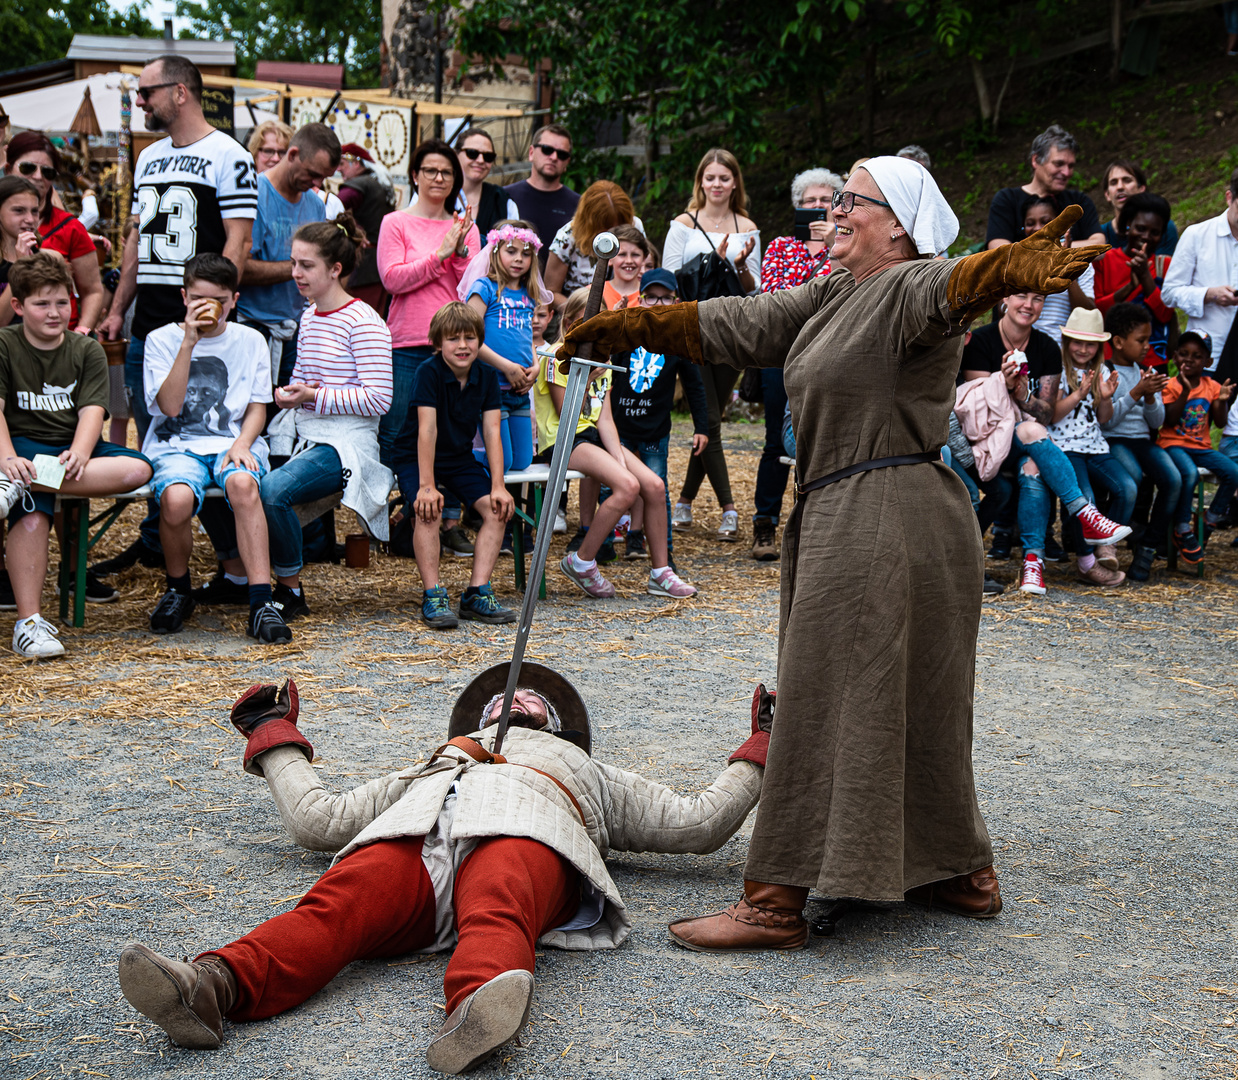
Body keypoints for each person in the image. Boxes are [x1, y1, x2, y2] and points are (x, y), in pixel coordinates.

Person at [559, 158, 1111, 946]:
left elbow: (951, 289)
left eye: (856, 200)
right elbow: (740, 323)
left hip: (883, 515)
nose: (837, 210)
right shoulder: (834, 292)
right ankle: (959, 870)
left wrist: (1004, 268)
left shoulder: (909, 285)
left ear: (899, 226)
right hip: (875, 512)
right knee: (917, 698)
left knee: (819, 694)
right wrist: (637, 324)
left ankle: (775, 899)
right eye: (839, 197)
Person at [115, 663, 768, 1072]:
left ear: (559, 725)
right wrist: (272, 733)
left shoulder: (587, 770)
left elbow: (698, 822)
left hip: (528, 830)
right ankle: (210, 986)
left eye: (534, 700)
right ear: (478, 717)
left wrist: (767, 741)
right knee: (336, 905)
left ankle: (477, 1012)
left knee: (501, 896)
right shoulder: (437, 759)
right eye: (502, 703)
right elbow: (319, 818)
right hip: (413, 838)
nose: (516, 702)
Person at [95, 54, 258, 577]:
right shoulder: (148, 158)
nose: (139, 101)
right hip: (152, 325)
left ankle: (232, 563)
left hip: (202, 323)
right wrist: (119, 307)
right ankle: (161, 545)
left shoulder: (229, 155)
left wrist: (217, 310)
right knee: (164, 446)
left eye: (146, 92)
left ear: (181, 92)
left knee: (211, 434)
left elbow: (238, 239)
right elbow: (136, 240)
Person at [0, 253, 152, 658]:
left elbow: (92, 411)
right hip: (22, 445)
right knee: (31, 516)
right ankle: (28, 625)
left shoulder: (85, 348)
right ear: (18, 306)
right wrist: (7, 458)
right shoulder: (5, 343)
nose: (54, 313)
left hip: (69, 448)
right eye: (41, 304)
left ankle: (19, 484)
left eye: (62, 303)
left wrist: (82, 451)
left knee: (138, 467)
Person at [141, 254, 289, 642]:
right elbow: (170, 407)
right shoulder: (162, 340)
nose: (209, 307)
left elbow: (258, 406)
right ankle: (178, 590)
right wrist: (189, 341)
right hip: (175, 446)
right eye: (198, 298)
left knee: (243, 486)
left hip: (233, 440)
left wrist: (242, 442)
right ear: (184, 296)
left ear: (234, 300)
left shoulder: (250, 339)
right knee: (175, 500)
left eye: (219, 300)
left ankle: (261, 600)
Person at [261, 216, 393, 621]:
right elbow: (305, 379)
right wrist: (289, 394)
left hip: (348, 443)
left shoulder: (364, 320)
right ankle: (238, 579)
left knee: (272, 490)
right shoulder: (309, 316)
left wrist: (313, 396)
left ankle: (289, 588)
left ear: (335, 269)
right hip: (305, 432)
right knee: (239, 480)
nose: (295, 273)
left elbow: (379, 399)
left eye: (306, 265)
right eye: (294, 263)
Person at [959, 293, 1131, 595]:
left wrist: (1024, 396)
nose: (1029, 305)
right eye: (1021, 296)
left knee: (1033, 461)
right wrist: (1005, 384)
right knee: (1030, 429)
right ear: (1005, 300)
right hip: (981, 442)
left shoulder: (1046, 347)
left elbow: (1047, 412)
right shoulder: (982, 342)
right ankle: (1085, 514)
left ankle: (1032, 563)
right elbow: (977, 413)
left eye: (1038, 299)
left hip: (1022, 444)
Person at [536, 287, 695, 600]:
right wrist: (588, 380)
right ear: (570, 325)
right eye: (585, 325)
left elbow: (605, 419)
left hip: (592, 438)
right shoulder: (557, 358)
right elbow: (568, 416)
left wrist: (620, 461)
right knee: (626, 488)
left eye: (600, 327)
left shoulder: (601, 362)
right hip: (563, 440)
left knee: (653, 485)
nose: (593, 335)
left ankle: (660, 573)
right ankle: (582, 561)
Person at [390, 301, 515, 629]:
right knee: (427, 508)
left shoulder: (486, 376)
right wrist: (427, 486)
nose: (463, 346)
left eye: (470, 338)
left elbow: (491, 432)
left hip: (458, 457)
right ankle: (433, 595)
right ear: (437, 343)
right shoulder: (428, 372)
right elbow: (426, 431)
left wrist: (499, 485)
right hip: (415, 455)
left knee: (496, 508)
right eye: (453, 339)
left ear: (479, 341)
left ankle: (476, 593)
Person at [663, 148, 761, 542]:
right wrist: (710, 263)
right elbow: (669, 279)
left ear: (735, 182)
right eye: (710, 178)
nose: (717, 184)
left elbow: (753, 286)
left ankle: (684, 500)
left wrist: (734, 265)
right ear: (700, 182)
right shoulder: (683, 224)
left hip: (733, 331)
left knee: (711, 420)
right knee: (713, 422)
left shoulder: (746, 225)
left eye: (724, 178)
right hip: (695, 328)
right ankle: (729, 509)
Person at [752, 167, 840, 560]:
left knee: (823, 436)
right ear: (798, 206)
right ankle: (765, 526)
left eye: (826, 201)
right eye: (810, 201)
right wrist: (813, 258)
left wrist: (832, 245)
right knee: (776, 439)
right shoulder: (781, 246)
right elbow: (775, 297)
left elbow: (845, 295)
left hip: (829, 353)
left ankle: (813, 526)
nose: (818, 207)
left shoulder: (846, 247)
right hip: (782, 353)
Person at [376, 138, 480, 466]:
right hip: (407, 343)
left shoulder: (466, 228)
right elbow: (392, 279)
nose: (439, 178)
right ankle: (390, 506)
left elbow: (471, 289)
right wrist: (439, 256)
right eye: (431, 170)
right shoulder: (395, 222)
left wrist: (460, 250)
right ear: (414, 175)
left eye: (447, 173)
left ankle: (446, 512)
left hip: (455, 345)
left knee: (450, 432)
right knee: (396, 430)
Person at [607, 268, 709, 564]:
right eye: (651, 297)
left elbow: (695, 386)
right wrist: (616, 322)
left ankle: (664, 553)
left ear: (676, 301)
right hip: (620, 426)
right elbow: (606, 362)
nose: (659, 304)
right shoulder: (628, 330)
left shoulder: (679, 340)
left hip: (655, 430)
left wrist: (701, 426)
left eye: (666, 298)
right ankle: (605, 543)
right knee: (612, 485)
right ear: (641, 299)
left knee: (657, 489)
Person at [237, 123, 341, 389]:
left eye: (323, 178)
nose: (317, 184)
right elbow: (240, 268)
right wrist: (302, 268)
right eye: (313, 174)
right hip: (252, 326)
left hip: (295, 328)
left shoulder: (315, 204)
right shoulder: (255, 195)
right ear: (292, 155)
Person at [1045, 309, 1132, 587]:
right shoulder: (1057, 368)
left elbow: (1104, 418)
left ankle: (1106, 547)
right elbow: (1054, 415)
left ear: (1099, 347)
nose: (1083, 349)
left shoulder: (1101, 371)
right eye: (1077, 342)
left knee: (1127, 487)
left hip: (1094, 446)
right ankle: (1086, 562)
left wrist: (1104, 398)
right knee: (1086, 498)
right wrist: (1079, 394)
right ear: (1066, 340)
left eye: (1090, 343)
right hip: (1065, 446)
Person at [460, 220, 545, 474]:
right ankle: (464, 467)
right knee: (503, 462)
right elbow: (469, 338)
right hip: (491, 387)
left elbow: (528, 336)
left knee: (522, 461)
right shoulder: (484, 288)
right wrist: (506, 366)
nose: (519, 259)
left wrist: (536, 365)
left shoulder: (528, 294)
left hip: (518, 390)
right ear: (495, 251)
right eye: (511, 251)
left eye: (526, 254)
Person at [1100, 303, 1173, 582]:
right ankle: (1115, 540)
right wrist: (1136, 392)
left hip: (1142, 441)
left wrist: (1151, 396)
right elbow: (1108, 421)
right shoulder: (1106, 372)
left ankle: (1147, 546)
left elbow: (1156, 423)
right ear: (1118, 342)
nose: (1146, 346)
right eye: (1141, 340)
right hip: (1115, 440)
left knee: (1173, 480)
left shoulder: (1145, 372)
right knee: (1131, 476)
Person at [5, 132, 104, 335]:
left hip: (61, 341)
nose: (38, 176)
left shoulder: (70, 227)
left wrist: (81, 333)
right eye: (28, 167)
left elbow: (92, 290)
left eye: (48, 172)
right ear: (8, 168)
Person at [1157, 330, 1238, 565]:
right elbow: (1170, 421)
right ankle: (1182, 527)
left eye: (1197, 356)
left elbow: (1220, 422)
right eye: (1183, 354)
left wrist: (1221, 400)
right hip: (1173, 445)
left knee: (1233, 473)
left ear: (1208, 362)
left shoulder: (1211, 386)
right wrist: (1184, 390)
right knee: (1189, 474)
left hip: (1201, 446)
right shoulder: (1170, 385)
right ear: (1174, 357)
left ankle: (1209, 518)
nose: (1189, 360)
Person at [1160, 166, 1238, 370]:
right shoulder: (1196, 235)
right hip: (1208, 358)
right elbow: (1169, 293)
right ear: (1229, 197)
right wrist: (1210, 294)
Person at [985, 125, 1105, 250]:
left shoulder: (1079, 202)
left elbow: (1100, 246)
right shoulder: (1007, 200)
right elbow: (998, 250)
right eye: (1059, 164)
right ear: (1036, 160)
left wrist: (1039, 249)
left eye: (1071, 166)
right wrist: (1059, 248)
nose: (1066, 172)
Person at [1092, 191, 1176, 369]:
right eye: (1141, 228)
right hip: (1111, 360)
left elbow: (1165, 315)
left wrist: (1145, 276)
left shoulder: (1164, 265)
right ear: (1128, 224)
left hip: (1153, 362)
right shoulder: (1104, 261)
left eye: (1155, 232)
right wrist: (1130, 287)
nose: (1146, 236)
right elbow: (1096, 313)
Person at [544, 181, 643, 311]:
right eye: (606, 227)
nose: (612, 234)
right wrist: (581, 312)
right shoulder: (567, 237)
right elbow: (550, 292)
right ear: (590, 222)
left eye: (619, 227)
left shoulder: (635, 226)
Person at [1020, 194, 1096, 347]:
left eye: (1046, 222)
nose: (1037, 228)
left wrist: (1067, 269)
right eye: (1030, 223)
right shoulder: (1016, 262)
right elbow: (1003, 312)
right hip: (1023, 349)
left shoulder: (1082, 262)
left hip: (1063, 352)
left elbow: (1088, 314)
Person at [502, 124, 578, 263]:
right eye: (547, 150)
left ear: (567, 162)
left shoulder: (578, 205)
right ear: (531, 152)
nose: (554, 157)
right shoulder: (505, 197)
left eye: (562, 154)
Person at [336, 143, 397, 311]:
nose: (339, 169)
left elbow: (332, 209)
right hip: (380, 263)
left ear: (356, 163)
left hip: (363, 267)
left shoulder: (358, 185)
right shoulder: (379, 184)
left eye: (342, 164)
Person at [1098, 159, 1179, 256]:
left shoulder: (1164, 228)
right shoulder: (1099, 235)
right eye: (1113, 182)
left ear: (1141, 188)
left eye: (1127, 180)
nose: (1120, 187)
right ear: (1107, 194)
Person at [453, 128, 519, 235]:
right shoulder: (438, 193)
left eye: (488, 156)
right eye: (472, 153)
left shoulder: (503, 201)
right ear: (456, 155)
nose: (480, 160)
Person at [0, 176, 40, 329]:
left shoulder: (46, 257)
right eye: (19, 211)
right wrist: (21, 266)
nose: (30, 219)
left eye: (35, 211)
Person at [601, 224, 648, 311]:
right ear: (609, 258)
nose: (629, 261)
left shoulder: (651, 295)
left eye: (635, 255)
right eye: (622, 254)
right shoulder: (594, 293)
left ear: (644, 259)